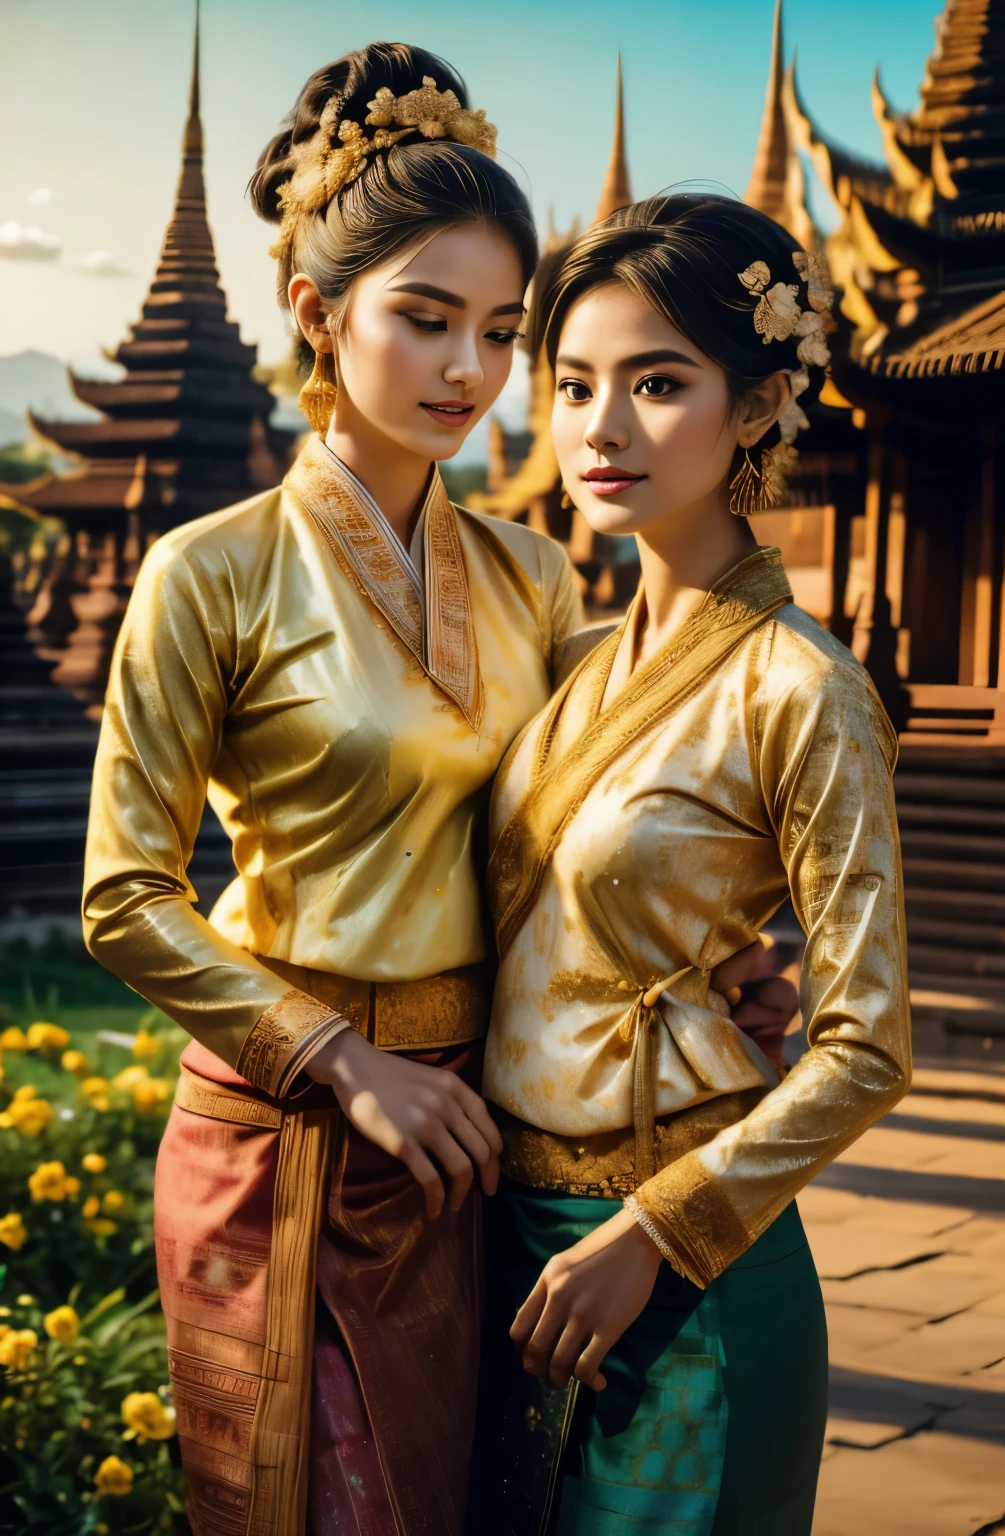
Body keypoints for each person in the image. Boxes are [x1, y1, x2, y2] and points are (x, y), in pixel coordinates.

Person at [81, 47, 798, 1535]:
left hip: (476, 1136)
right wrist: (342, 1061)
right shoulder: (207, 573)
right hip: (287, 1145)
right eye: (425, 318)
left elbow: (592, 829)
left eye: (496, 330)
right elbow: (122, 899)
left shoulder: (537, 579)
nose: (468, 369)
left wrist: (717, 958)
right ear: (315, 314)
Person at [479, 194, 912, 1536]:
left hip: (687, 1278)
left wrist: (656, 1238)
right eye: (574, 384)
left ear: (761, 399)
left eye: (659, 383)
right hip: (507, 1251)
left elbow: (869, 1044)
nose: (602, 428)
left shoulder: (805, 689)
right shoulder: (565, 664)